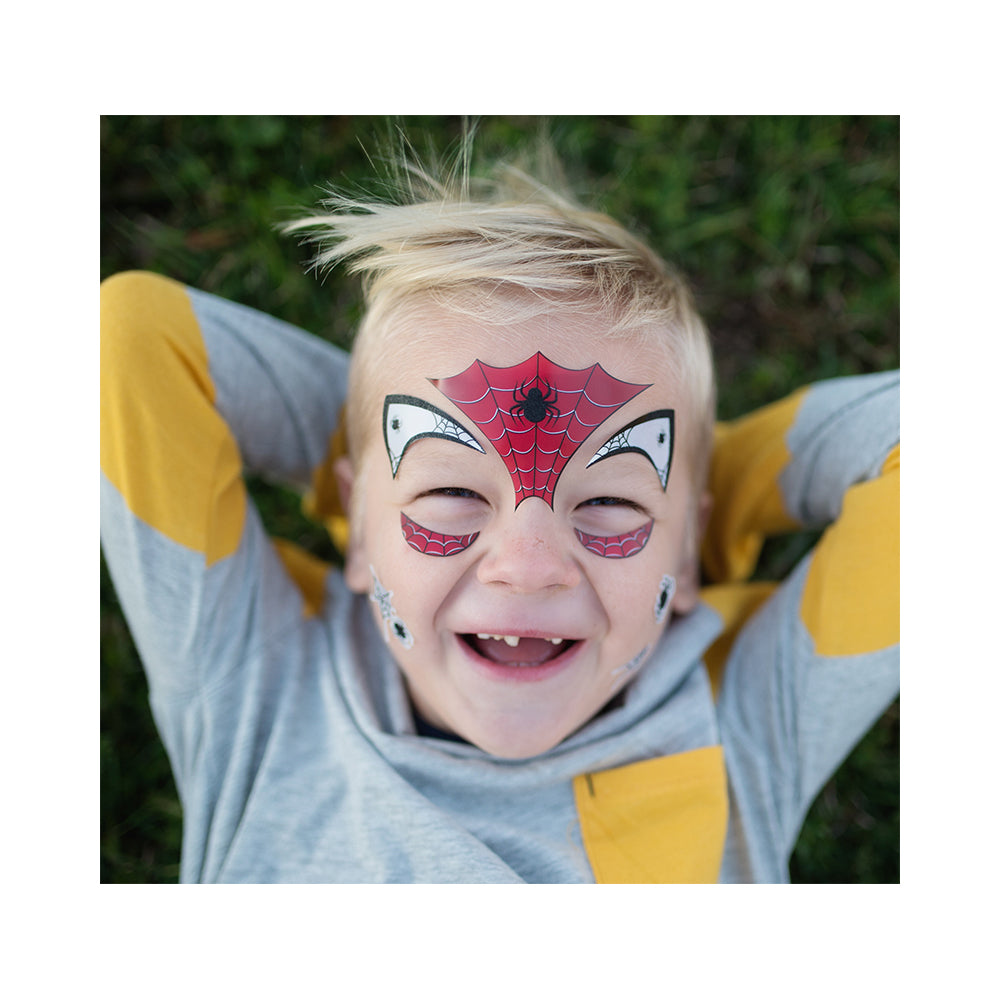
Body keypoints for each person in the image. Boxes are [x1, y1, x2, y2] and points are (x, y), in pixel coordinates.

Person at [100, 151, 899, 883]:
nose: (528, 566)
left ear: (683, 557)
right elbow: (131, 336)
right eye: (452, 495)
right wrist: (380, 448)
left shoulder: (741, 720)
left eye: (611, 503)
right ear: (357, 521)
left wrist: (691, 492)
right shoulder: (261, 680)